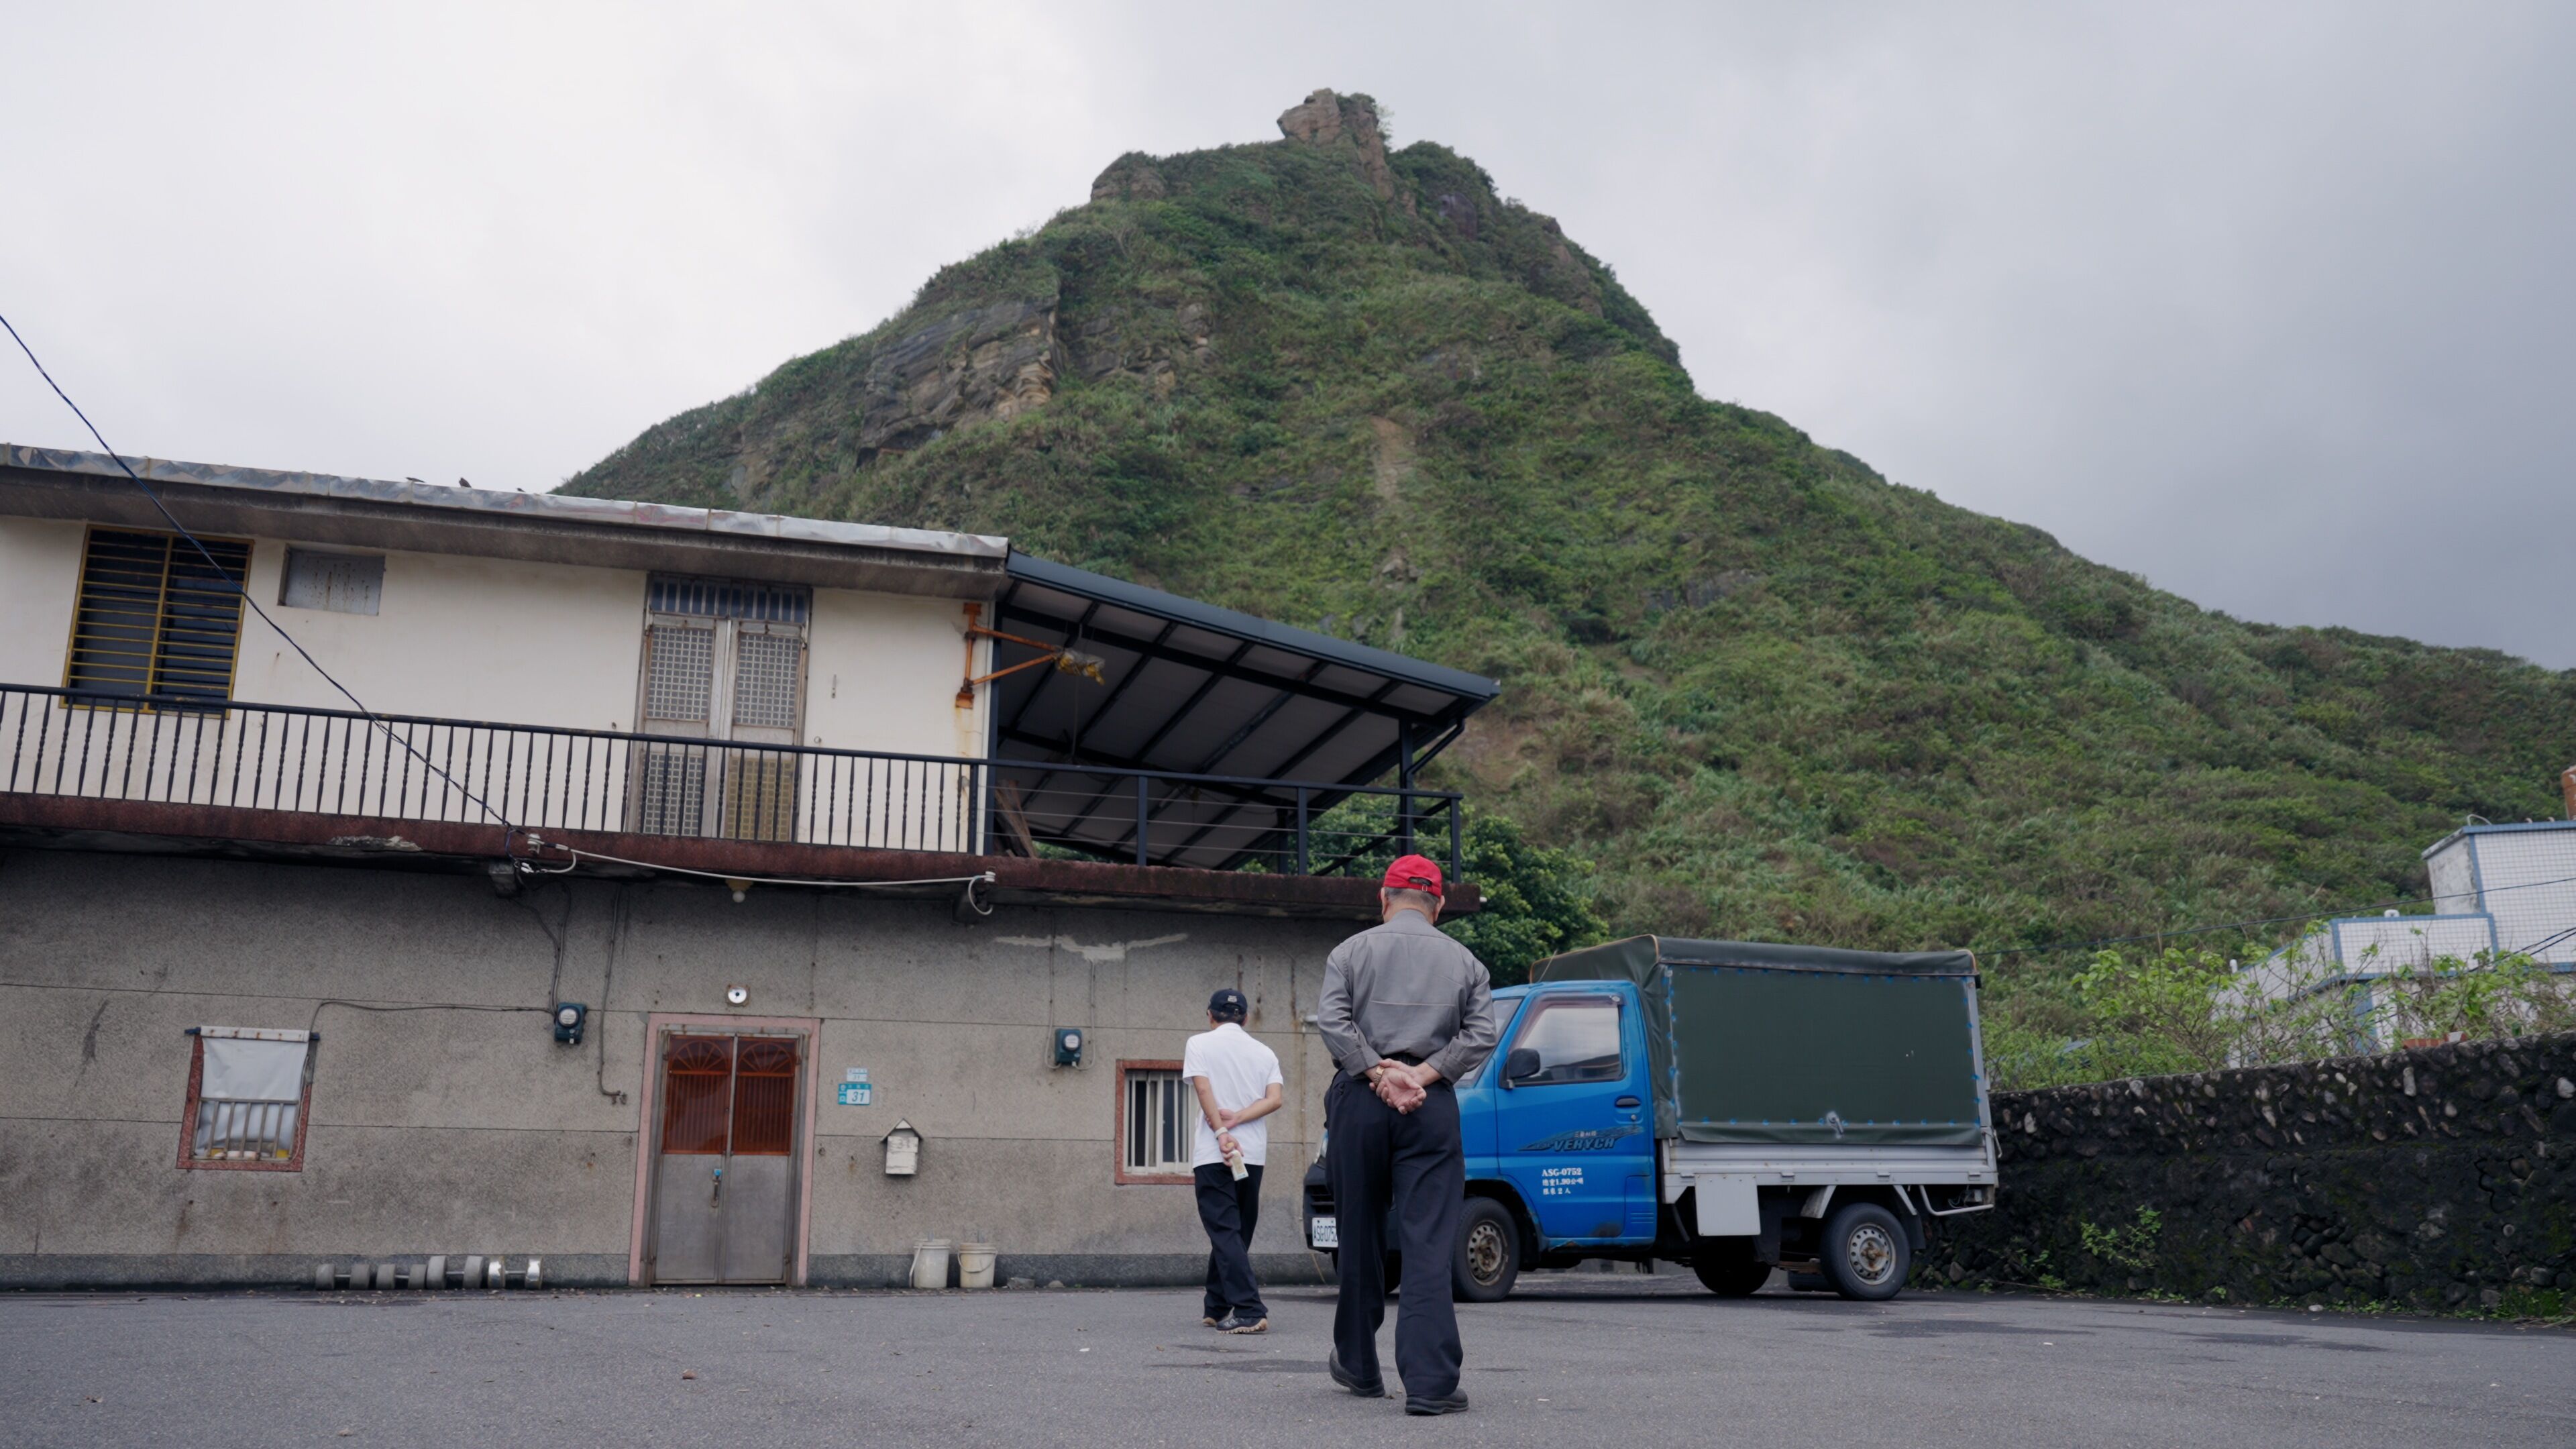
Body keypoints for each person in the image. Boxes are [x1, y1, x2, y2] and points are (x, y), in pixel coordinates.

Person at [1314, 853, 1498, 1417]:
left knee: (1360, 1231)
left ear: (1384, 897)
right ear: (1439, 905)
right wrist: (1419, 1074)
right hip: (1430, 1105)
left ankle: (1359, 1366)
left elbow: (1333, 1022)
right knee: (1428, 1242)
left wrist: (1378, 1072)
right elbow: (1482, 1033)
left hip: (1361, 1102)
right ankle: (1431, 1384)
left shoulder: (1350, 952)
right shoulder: (1466, 962)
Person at [1183, 986, 1284, 1334]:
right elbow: (1275, 1099)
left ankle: (1249, 1309)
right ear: (1246, 1018)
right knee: (1235, 1231)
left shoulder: (1199, 1043)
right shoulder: (1264, 1052)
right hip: (1252, 1155)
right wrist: (1238, 1119)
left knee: (1225, 1231)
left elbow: (1204, 1090)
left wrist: (1221, 1132)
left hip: (1215, 1153)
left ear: (1209, 1015)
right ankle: (1217, 1304)